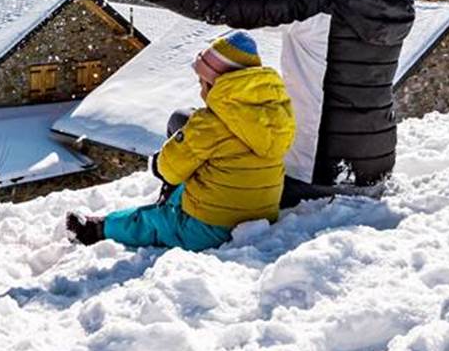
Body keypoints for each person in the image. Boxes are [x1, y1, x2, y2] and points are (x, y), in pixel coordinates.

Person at [64, 0, 414, 206]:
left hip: (311, 176)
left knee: (186, 124)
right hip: (373, 170)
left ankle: (180, 215)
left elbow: (224, 6)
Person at [66, 31, 294, 250]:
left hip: (210, 228)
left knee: (152, 221)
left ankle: (96, 229)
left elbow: (169, 170)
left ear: (216, 83)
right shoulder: (278, 116)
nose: (200, 88)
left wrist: (158, 161)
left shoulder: (208, 124)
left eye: (202, 81)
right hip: (262, 216)